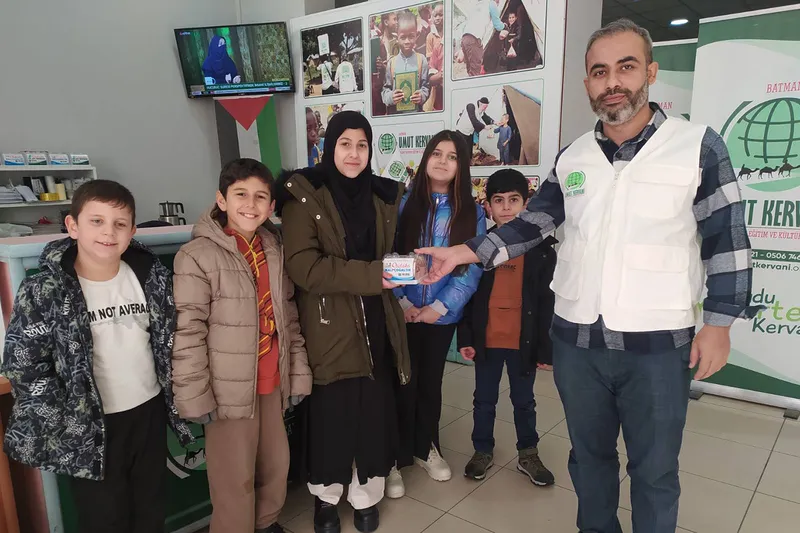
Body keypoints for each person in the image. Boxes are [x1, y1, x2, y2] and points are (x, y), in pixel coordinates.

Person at [417, 19, 760, 533]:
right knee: (589, 460)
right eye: (600, 72)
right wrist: (463, 252)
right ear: (587, 83)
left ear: (650, 73)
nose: (612, 81)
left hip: (657, 344)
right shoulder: (574, 156)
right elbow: (532, 224)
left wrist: (719, 323)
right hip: (578, 342)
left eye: (626, 67)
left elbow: (727, 238)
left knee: (654, 471)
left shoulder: (697, 147)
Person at [1, 180, 193, 533]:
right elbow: (24, 364)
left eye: (120, 224)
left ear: (132, 231)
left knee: (151, 509)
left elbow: (169, 338)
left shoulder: (150, 276)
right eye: (96, 221)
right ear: (72, 226)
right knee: (104, 518)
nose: (108, 232)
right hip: (90, 424)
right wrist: (66, 418)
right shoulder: (45, 289)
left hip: (147, 412)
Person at [276, 111, 410, 533]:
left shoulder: (383, 196)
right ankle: (327, 499)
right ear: (328, 147)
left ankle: (365, 496)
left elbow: (392, 253)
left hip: (377, 320)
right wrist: (375, 275)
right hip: (328, 324)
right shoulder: (305, 196)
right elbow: (305, 268)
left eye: (362, 145)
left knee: (372, 412)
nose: (354, 154)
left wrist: (409, 267)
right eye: (345, 144)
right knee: (332, 416)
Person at [171, 159, 313, 533]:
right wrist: (194, 394)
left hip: (271, 381)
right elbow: (187, 330)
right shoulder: (198, 255)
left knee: (275, 465)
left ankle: (265, 523)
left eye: (260, 196)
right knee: (234, 478)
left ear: (271, 206)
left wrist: (298, 373)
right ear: (222, 200)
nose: (250, 204)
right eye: (240, 194)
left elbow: (289, 316)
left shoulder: (275, 249)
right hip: (226, 391)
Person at [389, 131, 486, 496]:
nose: (443, 161)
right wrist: (403, 302)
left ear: (462, 166)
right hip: (401, 311)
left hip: (440, 316)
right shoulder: (402, 205)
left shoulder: (472, 213)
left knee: (430, 384)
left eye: (452, 156)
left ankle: (426, 447)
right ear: (426, 158)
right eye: (437, 153)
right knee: (400, 383)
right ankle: (394, 456)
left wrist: (439, 307)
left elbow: (471, 268)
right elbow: (388, 256)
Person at [457, 169, 556, 486]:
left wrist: (545, 349)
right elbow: (467, 297)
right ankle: (482, 450)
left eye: (514, 200)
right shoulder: (476, 249)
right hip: (487, 341)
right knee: (484, 401)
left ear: (526, 205)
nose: (506, 207)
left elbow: (547, 304)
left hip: (523, 342)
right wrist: (466, 338)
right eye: (498, 200)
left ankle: (528, 453)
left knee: (524, 402)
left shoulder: (542, 251)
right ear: (487, 206)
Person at [381, 11, 431, 114]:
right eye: (403, 37)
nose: (407, 41)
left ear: (416, 36)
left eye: (411, 36)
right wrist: (391, 97)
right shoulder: (392, 63)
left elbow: (426, 87)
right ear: (397, 37)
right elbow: (385, 91)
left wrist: (421, 96)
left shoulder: (421, 60)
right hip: (396, 117)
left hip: (415, 115)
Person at [456, 0, 506, 77]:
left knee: (470, 70)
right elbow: (498, 25)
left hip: (465, 38)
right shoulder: (491, 3)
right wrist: (505, 26)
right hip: (474, 39)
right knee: (475, 73)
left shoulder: (478, 4)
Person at [424, 3, 445, 112]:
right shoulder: (430, 36)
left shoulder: (451, 33)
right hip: (437, 75)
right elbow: (430, 60)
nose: (437, 18)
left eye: (440, 15)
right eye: (435, 15)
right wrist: (437, 75)